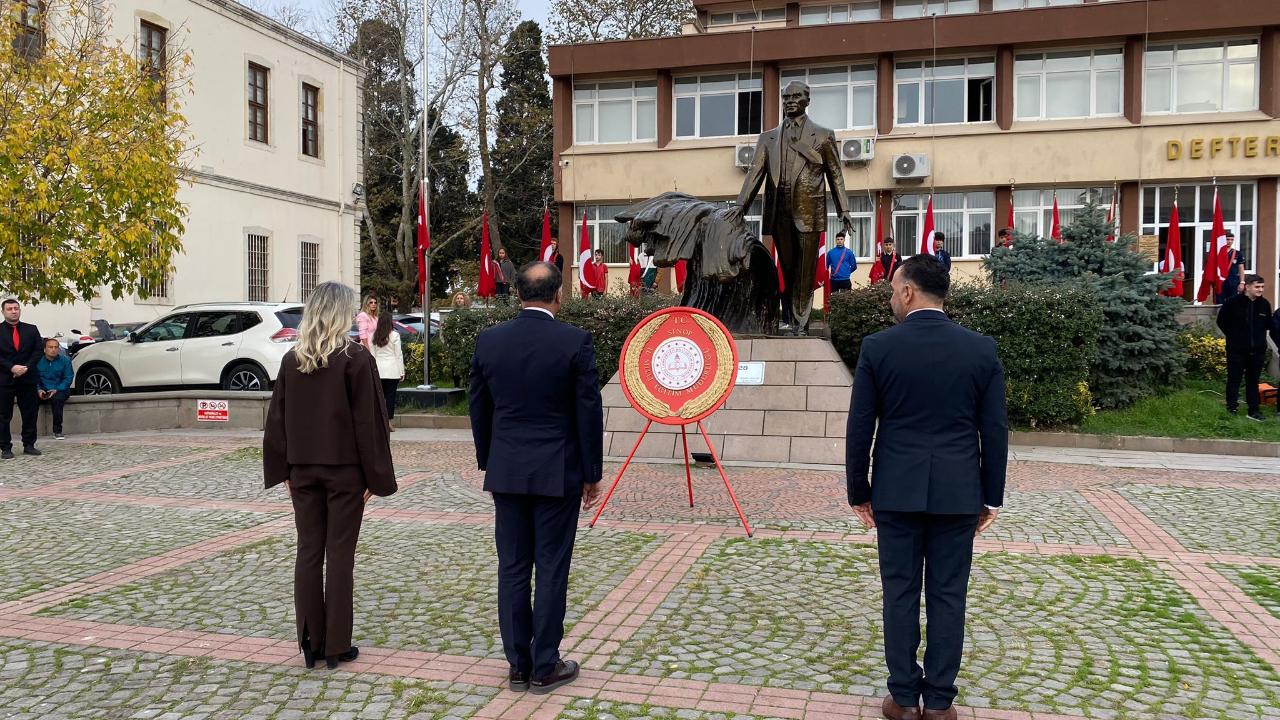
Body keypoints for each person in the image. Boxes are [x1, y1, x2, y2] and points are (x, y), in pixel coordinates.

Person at [845, 256, 1008, 720]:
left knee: (898, 592)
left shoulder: (878, 347)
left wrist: (859, 489)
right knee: (948, 595)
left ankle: (901, 697)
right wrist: (990, 495)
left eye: (894, 289)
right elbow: (994, 430)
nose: (892, 297)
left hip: (895, 492)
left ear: (910, 291)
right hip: (959, 495)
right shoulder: (981, 349)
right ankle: (938, 703)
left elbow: (860, 426)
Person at [468, 261, 603, 695]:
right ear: (558, 295)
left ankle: (518, 666)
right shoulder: (574, 341)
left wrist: (489, 457)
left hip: (507, 469)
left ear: (518, 294)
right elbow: (588, 412)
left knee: (511, 568)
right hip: (557, 471)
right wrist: (591, 473)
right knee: (550, 568)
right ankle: (545, 664)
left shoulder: (490, 341)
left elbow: (478, 406)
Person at [263, 281, 398, 670]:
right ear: (342, 313)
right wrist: (376, 479)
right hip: (345, 474)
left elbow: (278, 420)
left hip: (303, 470)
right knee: (339, 555)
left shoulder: (293, 359)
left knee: (308, 551)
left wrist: (284, 468)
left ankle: (311, 641)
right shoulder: (355, 358)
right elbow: (368, 423)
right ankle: (336, 644)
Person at [735, 80, 854, 333]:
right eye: (786, 96)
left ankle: (801, 325)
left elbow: (835, 175)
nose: (790, 100)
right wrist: (739, 208)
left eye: (796, 96)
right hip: (779, 213)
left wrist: (843, 208)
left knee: (804, 272)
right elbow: (754, 174)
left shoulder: (822, 135)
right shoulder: (767, 138)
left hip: (809, 212)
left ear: (807, 101)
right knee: (788, 271)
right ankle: (791, 318)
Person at [1217, 274, 1270, 420]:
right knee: (1234, 380)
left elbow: (1267, 325)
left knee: (1253, 381)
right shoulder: (1232, 303)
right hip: (1237, 350)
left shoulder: (1264, 304)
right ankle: (1231, 408)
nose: (1260, 290)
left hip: (1257, 351)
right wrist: (1234, 337)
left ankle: (1254, 411)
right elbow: (1221, 321)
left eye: (1262, 287)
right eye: (1257, 287)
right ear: (1247, 287)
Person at [0, 299, 43, 459]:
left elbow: (38, 350)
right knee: (3, 414)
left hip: (27, 377)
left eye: (16, 308)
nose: (13, 311)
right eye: (9, 309)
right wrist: (12, 367)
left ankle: (29, 444)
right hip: (5, 378)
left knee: (30, 413)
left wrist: (25, 367)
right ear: (3, 311)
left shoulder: (31, 330)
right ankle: (5, 447)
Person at [369, 311, 405, 432]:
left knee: (378, 398)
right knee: (390, 397)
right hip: (392, 370)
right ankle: (389, 421)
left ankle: (378, 422)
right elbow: (398, 354)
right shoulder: (395, 335)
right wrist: (402, 371)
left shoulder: (374, 335)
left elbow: (372, 355)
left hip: (378, 370)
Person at [36, 338, 73, 440]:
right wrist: (38, 389)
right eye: (50, 347)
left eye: (56, 347)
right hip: (42, 389)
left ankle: (58, 431)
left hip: (60, 390)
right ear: (45, 349)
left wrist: (57, 389)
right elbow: (34, 378)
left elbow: (68, 378)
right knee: (30, 400)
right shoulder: (38, 361)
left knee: (57, 399)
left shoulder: (65, 361)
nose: (53, 349)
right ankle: (31, 431)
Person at [1216, 231, 1246, 304]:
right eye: (1227, 239)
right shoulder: (1218, 252)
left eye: (1231, 239)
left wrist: (1242, 282)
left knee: (1233, 302)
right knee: (1220, 302)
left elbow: (1241, 268)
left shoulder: (1237, 253)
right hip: (1220, 281)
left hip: (1233, 281)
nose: (1229, 241)